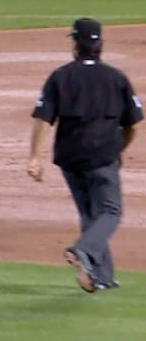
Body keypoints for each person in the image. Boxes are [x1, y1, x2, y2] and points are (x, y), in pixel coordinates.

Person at [28, 18, 142, 293]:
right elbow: (133, 123)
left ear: (76, 45)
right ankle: (84, 250)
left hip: (70, 157)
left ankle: (101, 277)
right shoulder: (116, 77)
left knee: (90, 214)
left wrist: (34, 156)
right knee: (111, 212)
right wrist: (119, 150)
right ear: (99, 45)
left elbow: (43, 119)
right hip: (103, 154)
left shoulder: (60, 76)